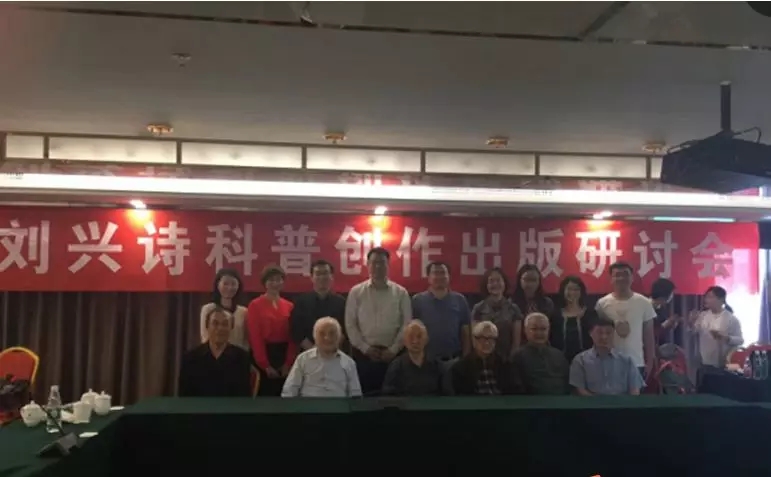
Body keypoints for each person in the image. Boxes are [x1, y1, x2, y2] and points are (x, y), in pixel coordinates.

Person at [345, 247, 411, 395]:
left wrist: (393, 349)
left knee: (393, 399)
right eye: (374, 263)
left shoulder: (401, 293)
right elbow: (350, 325)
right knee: (365, 399)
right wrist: (365, 348)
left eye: (382, 263)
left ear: (388, 265)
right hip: (363, 356)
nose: (378, 266)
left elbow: (406, 324)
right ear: (367, 265)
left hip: (393, 357)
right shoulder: (356, 292)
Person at [595, 261, 656, 379]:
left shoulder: (644, 303)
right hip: (609, 363)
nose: (621, 278)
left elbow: (649, 336)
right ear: (611, 279)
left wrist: (650, 363)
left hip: (636, 363)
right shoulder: (602, 304)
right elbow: (597, 336)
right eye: (617, 275)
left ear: (632, 278)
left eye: (625, 274)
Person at [246, 265, 297, 396]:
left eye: (278, 279)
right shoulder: (255, 305)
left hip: (285, 355)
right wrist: (265, 365)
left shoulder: (290, 306)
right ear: (265, 283)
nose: (275, 283)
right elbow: (255, 337)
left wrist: (288, 362)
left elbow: (293, 336)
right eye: (271, 280)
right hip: (264, 355)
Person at [179, 307, 252, 397]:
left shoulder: (242, 358)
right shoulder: (190, 358)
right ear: (207, 326)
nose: (220, 328)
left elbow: (244, 396)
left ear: (231, 328)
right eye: (215, 323)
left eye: (225, 324)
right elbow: (184, 397)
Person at [281, 317, 361, 398]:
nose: (327, 338)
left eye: (332, 333)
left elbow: (356, 396)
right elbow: (289, 391)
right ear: (315, 337)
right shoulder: (302, 359)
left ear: (339, 337)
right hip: (308, 405)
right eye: (321, 334)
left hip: (338, 405)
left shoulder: (349, 363)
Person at [411, 261, 471, 361]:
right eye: (435, 273)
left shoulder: (460, 300)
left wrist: (466, 358)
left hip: (453, 360)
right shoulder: (418, 300)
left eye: (443, 273)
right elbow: (412, 332)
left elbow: (465, 332)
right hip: (426, 360)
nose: (439, 276)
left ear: (449, 277)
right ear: (428, 277)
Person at [569, 317, 645, 396]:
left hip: (622, 403)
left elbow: (634, 391)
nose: (604, 337)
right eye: (599, 332)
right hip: (591, 402)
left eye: (608, 333)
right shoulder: (580, 360)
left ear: (614, 334)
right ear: (590, 333)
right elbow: (580, 390)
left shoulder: (627, 361)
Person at [290, 259, 347, 353]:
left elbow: (345, 329)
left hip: (334, 352)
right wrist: (314, 350)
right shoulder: (301, 302)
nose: (322, 277)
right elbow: (296, 330)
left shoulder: (341, 302)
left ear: (332, 277)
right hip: (308, 353)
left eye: (325, 273)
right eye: (318, 274)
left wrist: (330, 348)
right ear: (311, 277)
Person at [451, 321, 522, 395]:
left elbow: (516, 390)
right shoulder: (461, 367)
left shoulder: (505, 364)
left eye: (491, 338)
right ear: (474, 340)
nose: (487, 343)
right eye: (483, 338)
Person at [381, 320, 448, 396]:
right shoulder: (396, 366)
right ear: (404, 341)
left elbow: (447, 396)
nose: (415, 341)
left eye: (419, 336)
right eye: (411, 337)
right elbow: (388, 397)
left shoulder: (438, 366)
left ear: (426, 340)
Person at [471, 267, 523, 360]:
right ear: (486, 285)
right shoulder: (478, 308)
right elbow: (475, 340)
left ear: (504, 283)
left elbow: (516, 343)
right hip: (483, 357)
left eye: (498, 280)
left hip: (506, 358)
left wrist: (511, 360)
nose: (495, 284)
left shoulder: (514, 309)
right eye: (491, 281)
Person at [687, 286, 744, 371]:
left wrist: (726, 338)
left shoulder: (731, 319)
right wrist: (691, 322)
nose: (706, 299)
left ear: (721, 299)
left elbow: (740, 340)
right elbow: (692, 332)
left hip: (724, 364)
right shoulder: (703, 315)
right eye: (706, 297)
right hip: (704, 362)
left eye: (710, 297)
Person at [511, 313, 569, 395]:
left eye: (543, 329)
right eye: (534, 329)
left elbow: (566, 383)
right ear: (525, 330)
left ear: (549, 330)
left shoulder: (559, 355)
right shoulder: (518, 357)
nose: (539, 333)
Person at [550, 276, 597, 363]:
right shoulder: (555, 315)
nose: (572, 292)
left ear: (581, 292)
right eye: (569, 289)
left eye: (576, 289)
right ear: (563, 291)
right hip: (560, 361)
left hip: (587, 361)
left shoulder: (590, 313)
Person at [200, 268, 249, 351]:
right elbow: (205, 337)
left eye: (233, 284)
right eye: (225, 284)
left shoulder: (244, 312)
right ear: (218, 285)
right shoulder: (208, 309)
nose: (229, 288)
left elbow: (245, 342)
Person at [512, 264, 555, 344]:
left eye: (534, 280)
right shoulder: (512, 303)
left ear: (539, 282)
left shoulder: (547, 303)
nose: (530, 284)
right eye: (526, 280)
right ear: (520, 281)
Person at [650, 278, 680, 345]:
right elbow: (649, 333)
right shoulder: (647, 308)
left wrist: (671, 324)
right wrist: (665, 325)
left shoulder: (662, 308)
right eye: (671, 293)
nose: (672, 296)